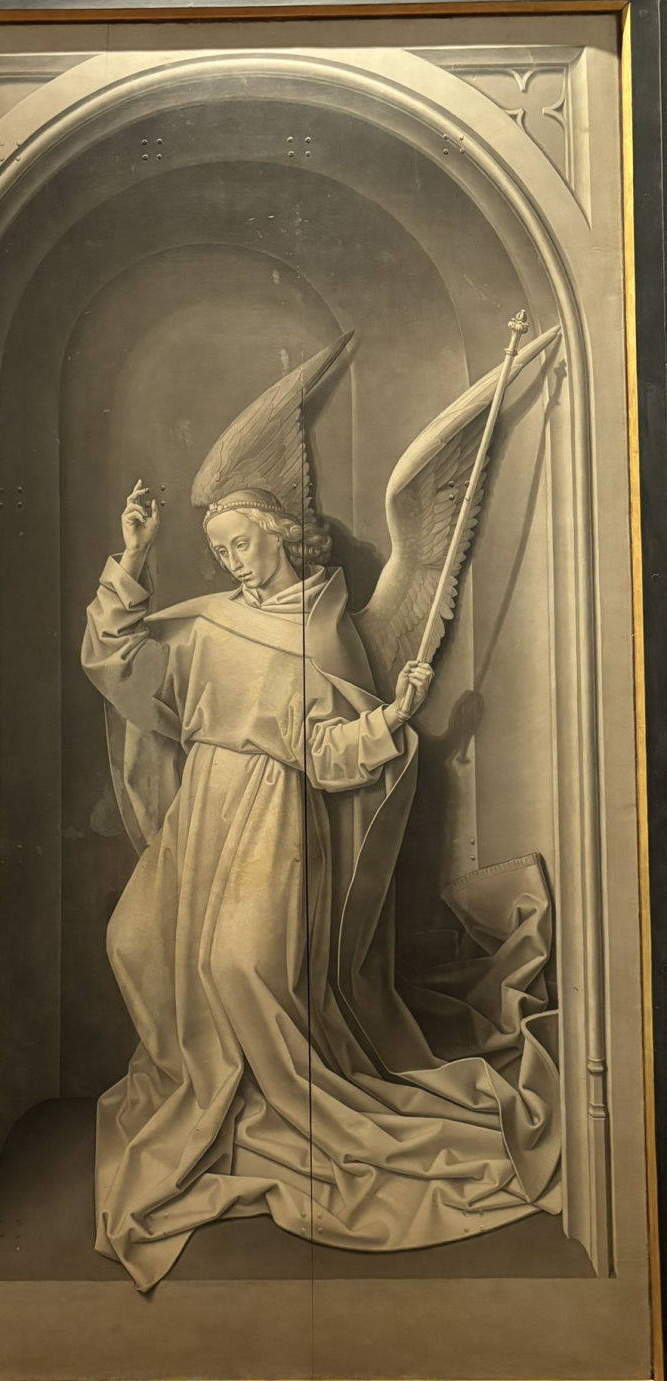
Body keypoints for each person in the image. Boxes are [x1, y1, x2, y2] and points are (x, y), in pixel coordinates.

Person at [82, 339, 561, 1291]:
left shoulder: (322, 628)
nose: (229, 559)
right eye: (219, 548)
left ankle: (285, 1104)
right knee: (132, 938)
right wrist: (132, 559)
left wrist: (390, 716)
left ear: (282, 531)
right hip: (203, 816)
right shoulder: (213, 620)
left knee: (242, 966)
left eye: (240, 541)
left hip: (273, 827)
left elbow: (329, 754)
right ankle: (207, 1095)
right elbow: (120, 663)